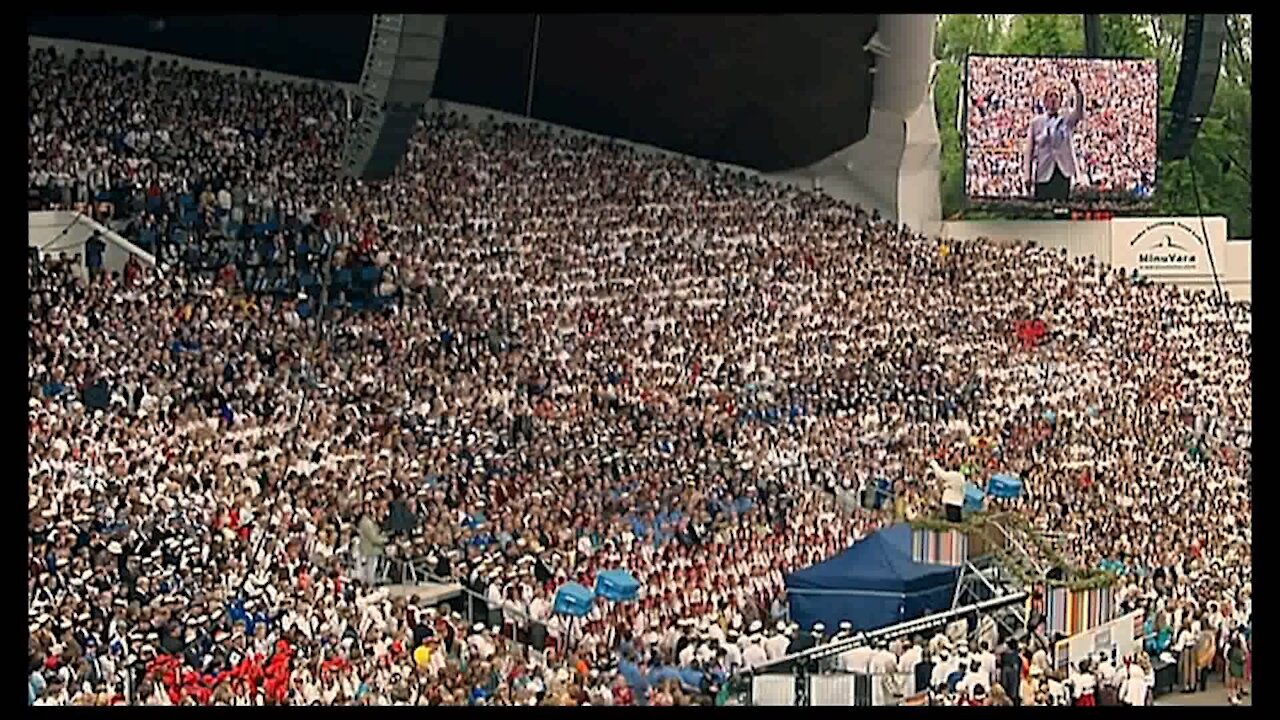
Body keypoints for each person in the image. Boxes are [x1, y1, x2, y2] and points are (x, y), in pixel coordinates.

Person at [1024, 74, 1085, 202]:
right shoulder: (1036, 123)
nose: (1053, 99)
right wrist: (1027, 175)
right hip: (1043, 173)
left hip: (1062, 172)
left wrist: (1077, 90)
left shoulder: (1066, 119)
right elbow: (1029, 151)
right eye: (1050, 96)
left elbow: (1078, 112)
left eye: (1056, 96)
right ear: (1045, 101)